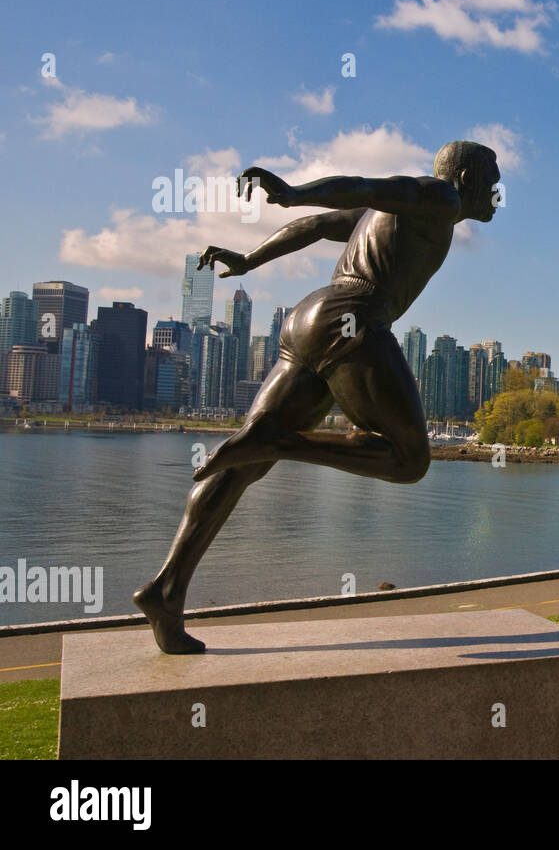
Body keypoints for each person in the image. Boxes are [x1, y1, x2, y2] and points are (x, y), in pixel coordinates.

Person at [133, 141, 500, 653]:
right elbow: (368, 186)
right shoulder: (440, 197)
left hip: (308, 319)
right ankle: (283, 444)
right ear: (465, 176)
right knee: (409, 459)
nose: (498, 193)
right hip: (352, 317)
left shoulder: (401, 216)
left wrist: (250, 258)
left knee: (237, 469)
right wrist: (293, 192)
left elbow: (320, 227)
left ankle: (166, 592)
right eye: (493, 179)